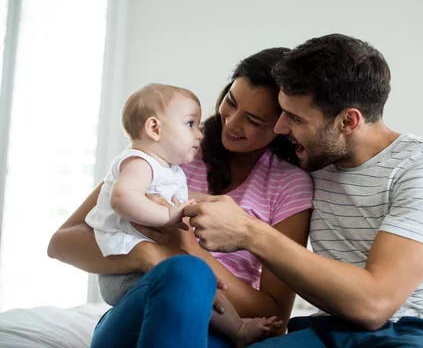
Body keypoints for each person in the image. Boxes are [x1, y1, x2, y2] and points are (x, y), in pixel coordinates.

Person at [186, 34, 423, 348]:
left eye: (295, 118)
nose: (280, 128)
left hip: (420, 332)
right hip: (327, 331)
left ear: (348, 121)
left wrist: (249, 231)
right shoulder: (313, 162)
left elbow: (375, 306)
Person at [47, 47, 313, 348]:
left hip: (222, 331)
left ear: (281, 126)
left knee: (191, 272)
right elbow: (61, 244)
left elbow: (274, 316)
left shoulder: (289, 185)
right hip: (137, 313)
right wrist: (146, 255)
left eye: (253, 119)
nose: (232, 122)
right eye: (231, 102)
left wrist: (188, 249)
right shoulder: (166, 149)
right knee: (186, 272)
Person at [84, 82, 279, 346]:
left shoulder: (169, 168)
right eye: (190, 124)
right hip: (128, 276)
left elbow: (182, 199)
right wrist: (168, 218)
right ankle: (238, 330)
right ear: (155, 128)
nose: (199, 134)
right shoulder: (138, 163)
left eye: (254, 119)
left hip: (170, 276)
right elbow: (122, 198)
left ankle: (238, 330)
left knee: (201, 284)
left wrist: (207, 204)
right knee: (191, 275)